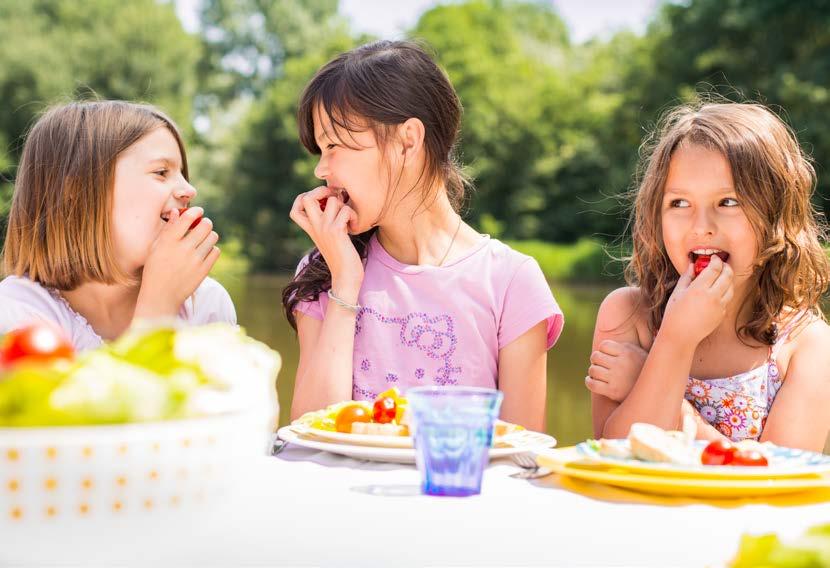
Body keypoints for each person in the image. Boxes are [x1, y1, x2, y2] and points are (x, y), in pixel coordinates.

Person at [283, 40, 564, 431]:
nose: (321, 170)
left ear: (407, 141)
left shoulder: (511, 281)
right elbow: (311, 434)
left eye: (333, 145)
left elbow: (520, 454)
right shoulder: (325, 270)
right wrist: (345, 283)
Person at [586, 101, 830, 452]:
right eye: (679, 203)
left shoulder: (807, 345)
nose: (701, 228)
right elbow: (616, 459)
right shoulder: (627, 315)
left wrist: (651, 380)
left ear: (776, 213)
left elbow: (773, 482)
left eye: (728, 202)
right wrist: (674, 339)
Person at [0, 100, 236, 350]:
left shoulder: (207, 305)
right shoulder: (15, 315)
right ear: (77, 190)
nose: (189, 189)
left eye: (182, 173)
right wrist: (158, 308)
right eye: (161, 172)